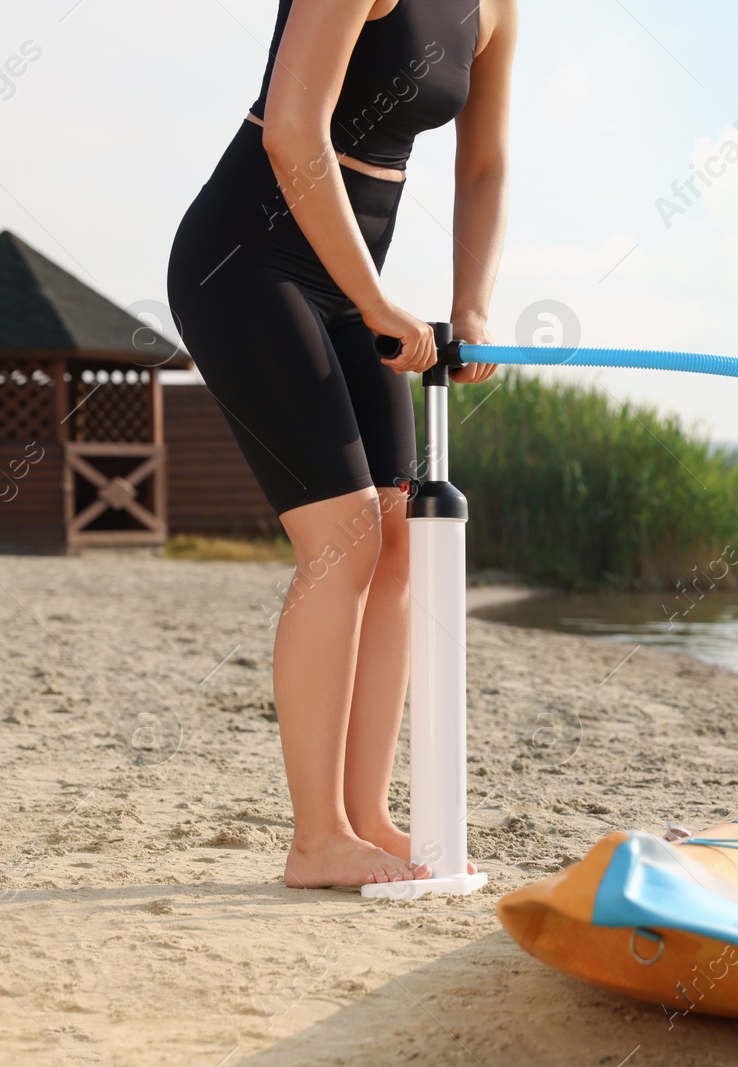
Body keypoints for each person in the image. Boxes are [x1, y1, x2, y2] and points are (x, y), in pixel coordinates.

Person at [167, 0, 515, 888]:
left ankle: (364, 818)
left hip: (348, 279)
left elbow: (484, 163)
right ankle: (315, 836)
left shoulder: (498, 8)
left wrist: (469, 306)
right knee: (345, 536)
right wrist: (374, 302)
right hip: (247, 259)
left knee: (401, 536)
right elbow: (292, 131)